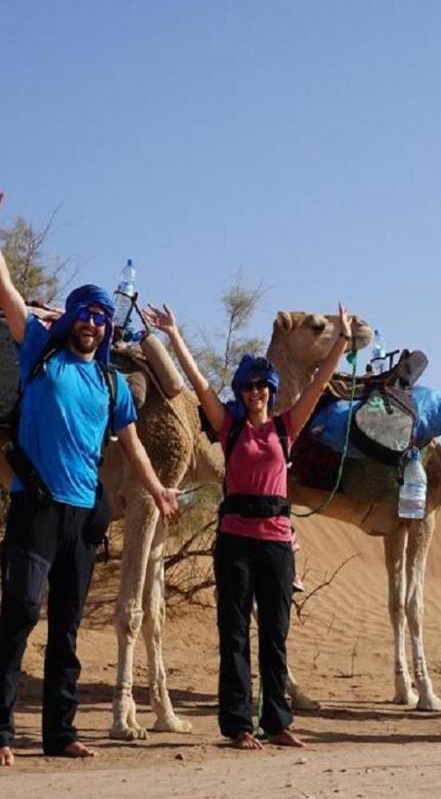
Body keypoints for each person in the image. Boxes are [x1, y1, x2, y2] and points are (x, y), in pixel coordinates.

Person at [0, 171, 182, 766]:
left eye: (99, 316)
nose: (91, 322)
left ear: (108, 328)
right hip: (34, 506)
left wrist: (157, 487)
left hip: (82, 513)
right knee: (19, 618)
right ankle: (1, 735)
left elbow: (133, 446)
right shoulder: (39, 351)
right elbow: (5, 286)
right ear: (70, 320)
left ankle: (60, 733)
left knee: (65, 628)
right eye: (84, 314)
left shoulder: (112, 382)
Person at [141, 300, 353, 750]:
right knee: (233, 634)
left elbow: (316, 386)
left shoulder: (284, 427)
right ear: (241, 392)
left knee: (275, 635)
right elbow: (198, 384)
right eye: (249, 386)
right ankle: (238, 725)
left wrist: (342, 343)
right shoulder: (230, 426)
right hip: (235, 540)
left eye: (261, 386)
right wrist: (174, 333)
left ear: (270, 391)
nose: (255, 392)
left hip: (276, 543)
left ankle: (276, 722)